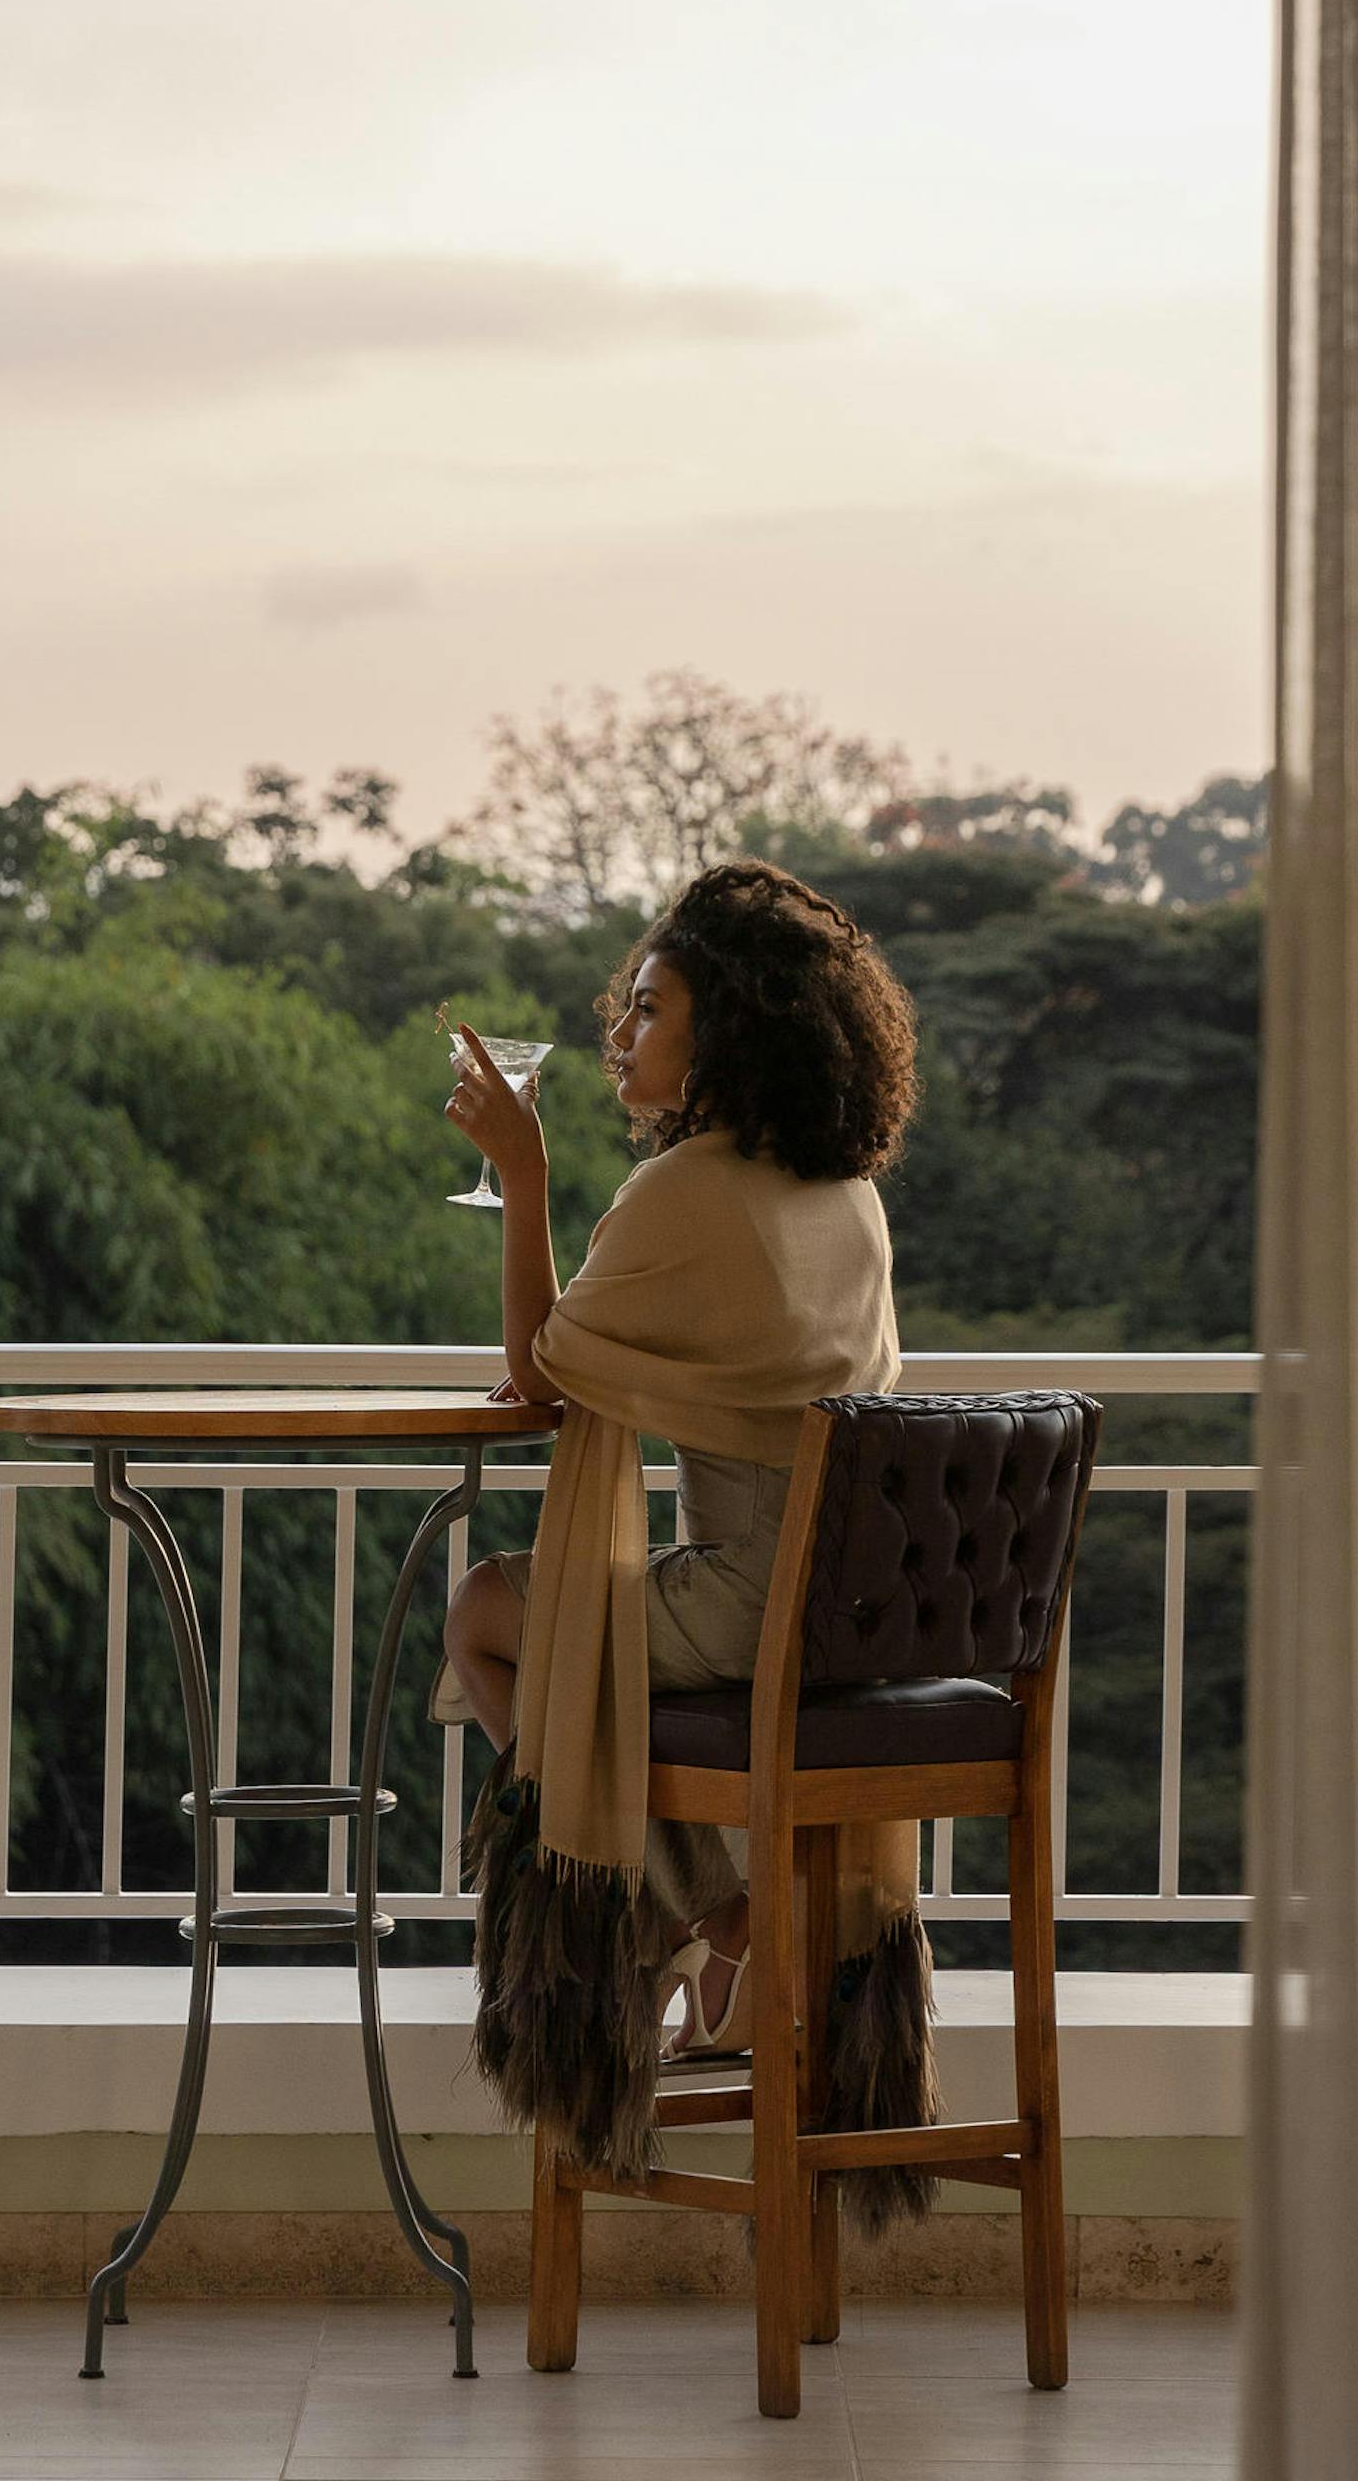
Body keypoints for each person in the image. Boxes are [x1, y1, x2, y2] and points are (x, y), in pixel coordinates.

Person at [434, 860, 916, 2152]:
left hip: (754, 1608)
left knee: (492, 1614)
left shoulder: (691, 1191)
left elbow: (541, 1377)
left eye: (653, 1008)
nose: (624, 1034)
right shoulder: (841, 1192)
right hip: (862, 1623)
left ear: (732, 1032)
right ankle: (731, 1912)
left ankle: (709, 1913)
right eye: (628, 1007)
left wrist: (521, 1179)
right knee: (578, 1662)